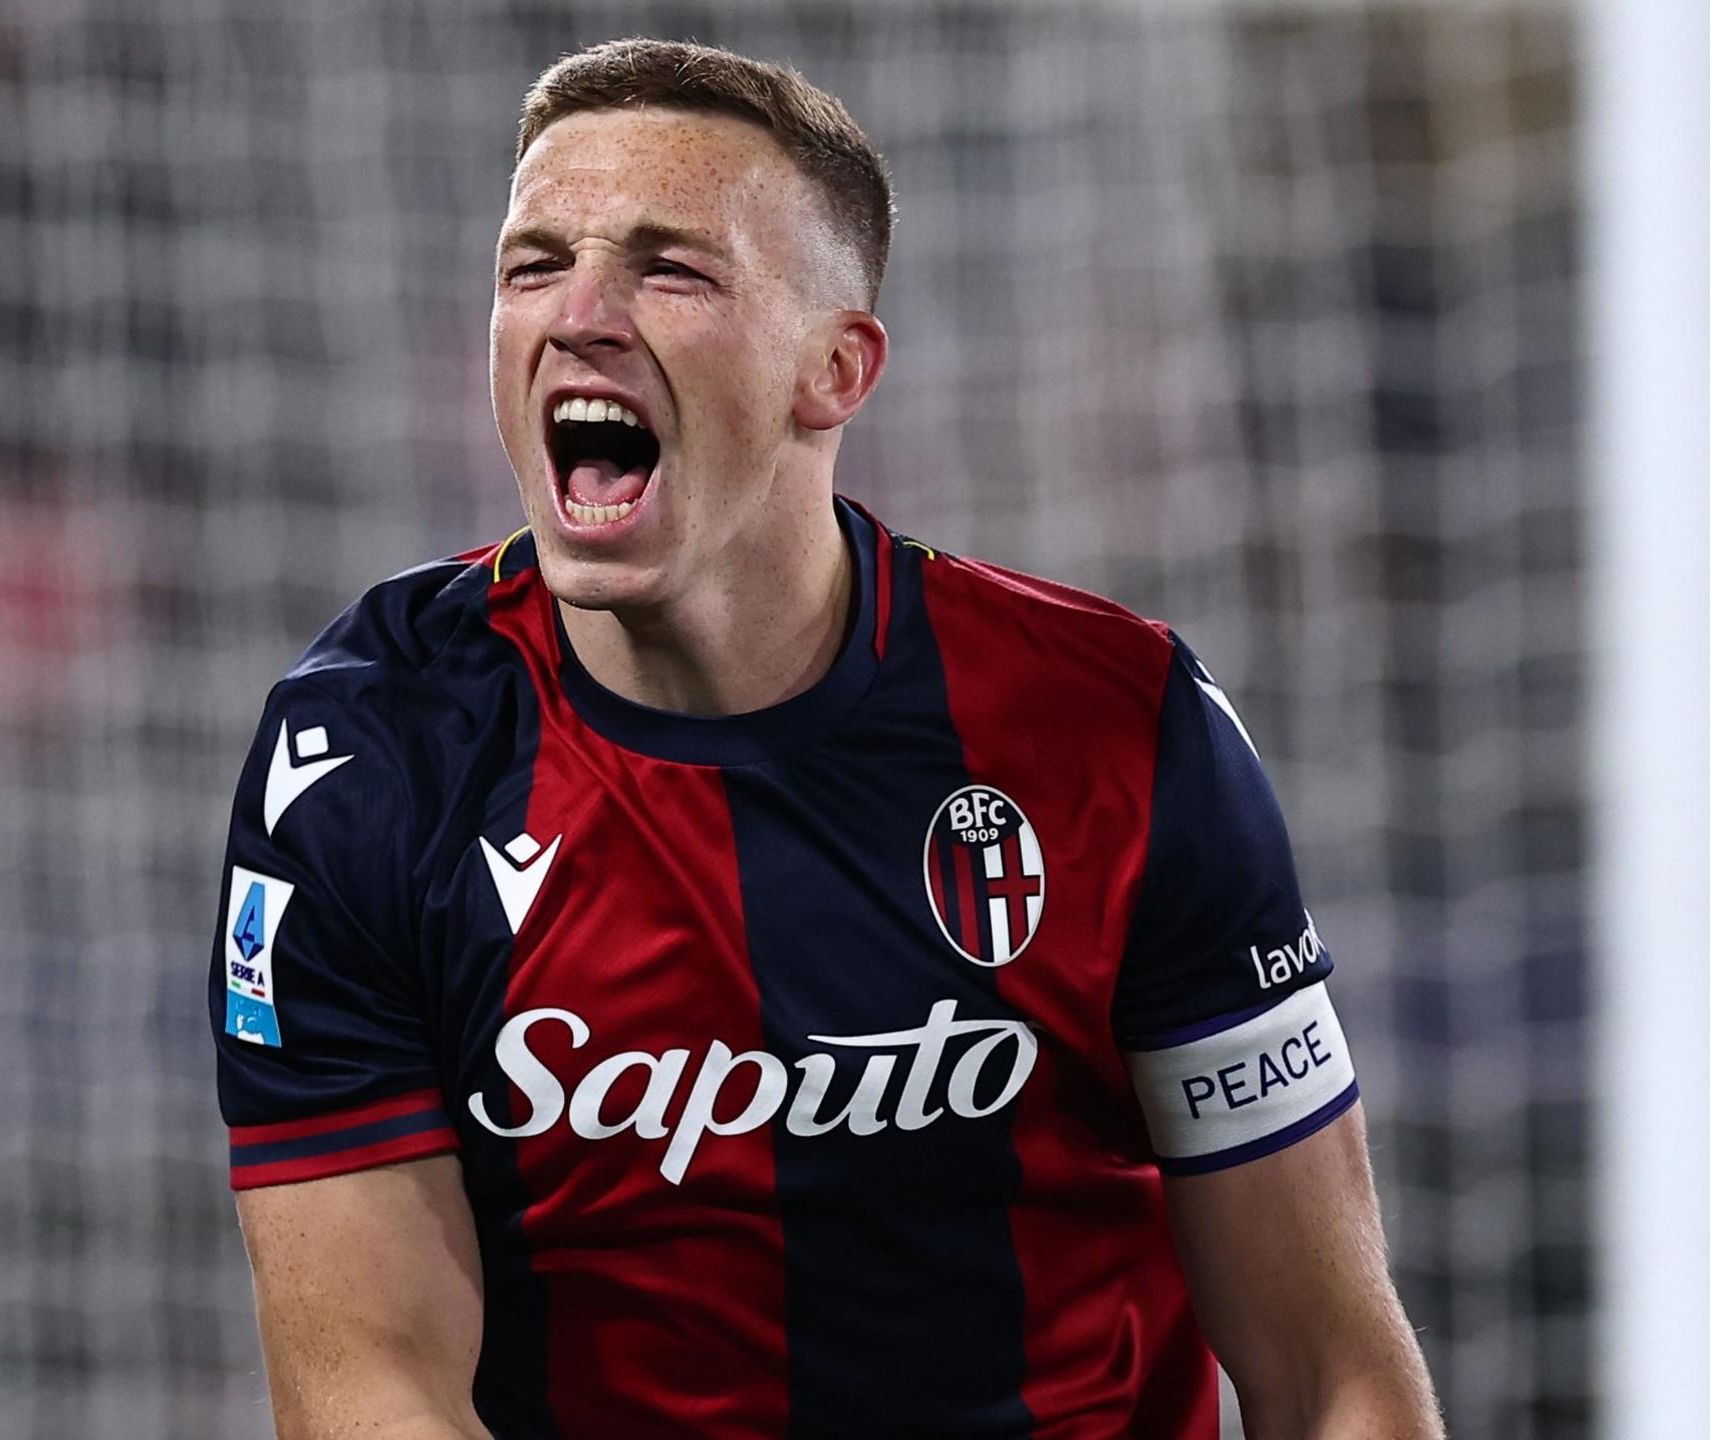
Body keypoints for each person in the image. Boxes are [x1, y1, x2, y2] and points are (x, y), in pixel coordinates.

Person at [209, 36, 1443, 1440]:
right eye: (532, 264)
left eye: (669, 270)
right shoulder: (370, 756)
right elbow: (366, 1390)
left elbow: (1329, 1366)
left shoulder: (1113, 727)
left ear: (836, 369)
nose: (579, 315)